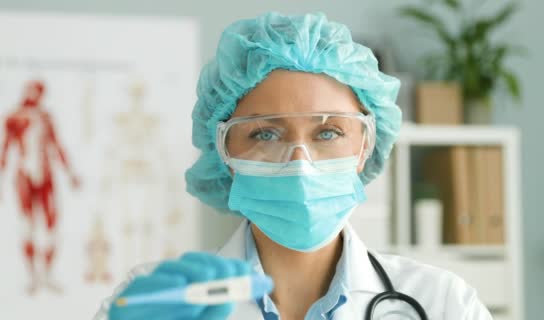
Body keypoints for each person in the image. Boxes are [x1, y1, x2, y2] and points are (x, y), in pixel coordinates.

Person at [94, 12, 492, 319]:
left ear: (366, 146)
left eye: (329, 132)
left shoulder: (443, 304)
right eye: (266, 134)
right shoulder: (162, 303)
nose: (301, 163)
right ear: (225, 155)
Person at [0, 80, 80, 294]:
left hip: (46, 175)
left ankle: (48, 274)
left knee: (52, 225)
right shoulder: (14, 117)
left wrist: (70, 173)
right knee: (28, 225)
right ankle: (33, 276)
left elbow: (57, 145)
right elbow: (5, 148)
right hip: (24, 175)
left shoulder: (45, 118)